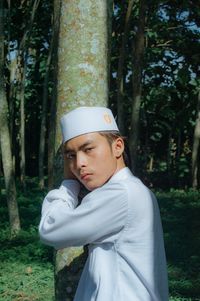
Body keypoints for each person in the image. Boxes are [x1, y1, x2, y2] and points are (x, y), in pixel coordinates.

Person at [39, 106, 168, 301]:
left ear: (118, 147)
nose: (79, 163)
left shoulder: (121, 194)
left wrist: (68, 183)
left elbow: (51, 229)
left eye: (88, 149)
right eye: (70, 156)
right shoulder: (132, 190)